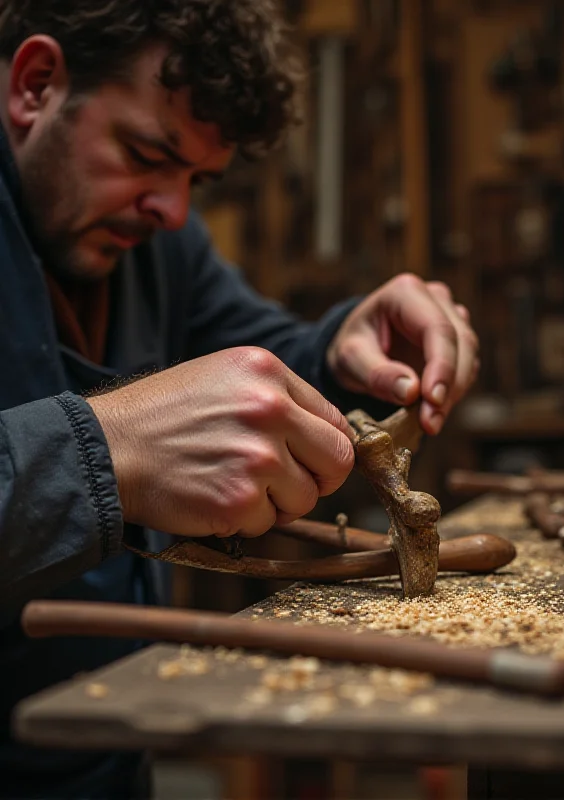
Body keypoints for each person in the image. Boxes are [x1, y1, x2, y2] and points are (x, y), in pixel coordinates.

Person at [0, 1, 479, 797]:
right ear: (36, 83)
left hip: (105, 757)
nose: (176, 209)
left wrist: (345, 349)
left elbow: (264, 362)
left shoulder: (159, 239)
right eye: (146, 153)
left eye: (198, 178)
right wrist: (105, 450)